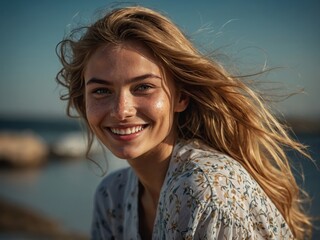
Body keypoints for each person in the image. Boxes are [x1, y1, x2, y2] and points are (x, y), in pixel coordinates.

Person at [56, 6, 312, 240]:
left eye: (143, 87)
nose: (121, 110)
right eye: (101, 91)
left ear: (181, 97)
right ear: (84, 100)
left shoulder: (209, 188)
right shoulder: (112, 197)